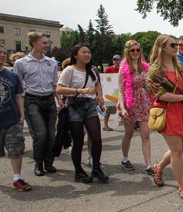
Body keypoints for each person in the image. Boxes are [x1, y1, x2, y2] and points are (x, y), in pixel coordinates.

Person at [146, 34, 183, 200]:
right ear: (162, 48)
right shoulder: (154, 70)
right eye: (173, 45)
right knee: (177, 151)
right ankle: (182, 186)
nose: (177, 48)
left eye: (178, 45)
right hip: (168, 111)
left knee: (180, 149)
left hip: (182, 111)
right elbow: (160, 95)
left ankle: (158, 168)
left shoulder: (179, 67)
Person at [56, 45, 108, 183]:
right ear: (75, 55)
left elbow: (97, 84)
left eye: (89, 52)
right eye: (83, 52)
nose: (87, 54)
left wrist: (100, 96)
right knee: (78, 141)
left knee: (96, 138)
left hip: (90, 106)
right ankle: (78, 171)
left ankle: (96, 169)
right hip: (74, 106)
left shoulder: (92, 70)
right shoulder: (69, 70)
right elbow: (59, 89)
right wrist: (79, 90)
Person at [13, 32, 61, 176]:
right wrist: (19, 108)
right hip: (32, 101)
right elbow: (18, 87)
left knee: (51, 135)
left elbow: (54, 85)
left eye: (48, 43)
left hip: (49, 101)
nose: (47, 45)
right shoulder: (20, 63)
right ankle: (38, 163)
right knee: (41, 134)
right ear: (34, 43)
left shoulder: (52, 63)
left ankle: (49, 162)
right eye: (44, 43)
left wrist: (58, 100)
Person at [117, 40, 153, 175]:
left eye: (138, 50)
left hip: (143, 102)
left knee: (145, 134)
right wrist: (123, 107)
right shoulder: (123, 68)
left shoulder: (145, 66)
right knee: (129, 134)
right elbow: (120, 91)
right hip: (130, 103)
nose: (136, 52)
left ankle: (148, 165)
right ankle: (125, 159)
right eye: (132, 50)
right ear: (127, 51)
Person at [0, 44, 32, 191]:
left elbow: (18, 96)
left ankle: (17, 178)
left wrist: (21, 114)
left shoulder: (13, 76)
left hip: (12, 120)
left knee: (16, 149)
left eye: (4, 53)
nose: (2, 55)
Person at [102, 55, 121, 131]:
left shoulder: (122, 69)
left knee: (126, 108)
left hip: (122, 91)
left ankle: (131, 125)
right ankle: (105, 125)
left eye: (117, 60)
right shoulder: (108, 69)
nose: (116, 61)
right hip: (112, 92)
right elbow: (105, 80)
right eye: (114, 60)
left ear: (120, 61)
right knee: (109, 110)